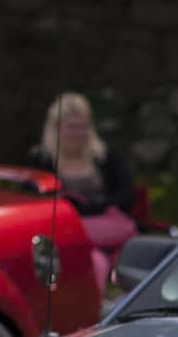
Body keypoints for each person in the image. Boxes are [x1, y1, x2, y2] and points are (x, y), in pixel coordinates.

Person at [27, 93, 137, 254]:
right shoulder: (40, 159)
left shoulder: (105, 156)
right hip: (62, 227)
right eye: (72, 127)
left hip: (106, 225)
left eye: (83, 126)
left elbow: (126, 194)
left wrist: (96, 208)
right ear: (55, 128)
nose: (79, 133)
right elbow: (33, 199)